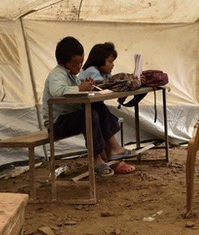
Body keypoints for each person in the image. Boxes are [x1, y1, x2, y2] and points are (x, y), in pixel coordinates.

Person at [42, 37, 134, 176]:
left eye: (81, 63)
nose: (79, 67)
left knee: (98, 108)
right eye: (75, 64)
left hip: (69, 118)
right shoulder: (57, 74)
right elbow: (57, 92)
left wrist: (87, 86)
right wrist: (80, 88)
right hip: (57, 122)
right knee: (89, 116)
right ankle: (96, 158)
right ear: (62, 62)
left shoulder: (72, 75)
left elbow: (78, 89)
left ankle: (113, 148)